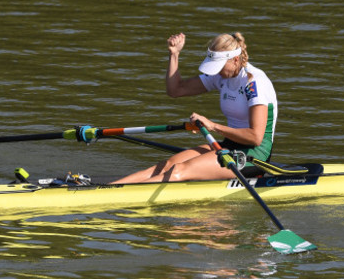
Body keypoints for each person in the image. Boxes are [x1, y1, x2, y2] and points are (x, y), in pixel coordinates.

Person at [112, 32, 277, 184]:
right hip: (229, 145)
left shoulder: (254, 83)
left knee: (179, 170)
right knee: (166, 166)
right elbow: (176, 90)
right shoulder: (223, 76)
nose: (216, 71)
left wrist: (212, 126)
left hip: (254, 156)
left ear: (235, 60)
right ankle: (108, 188)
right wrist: (174, 54)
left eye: (219, 66)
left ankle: (119, 198)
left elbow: (256, 137)